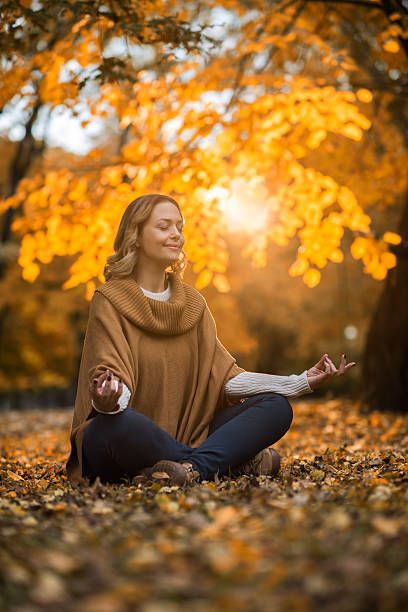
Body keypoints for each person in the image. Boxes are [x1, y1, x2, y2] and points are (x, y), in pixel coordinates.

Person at [65, 194, 356, 487]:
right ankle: (228, 462)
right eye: (164, 226)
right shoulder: (110, 299)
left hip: (191, 431)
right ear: (136, 235)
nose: (176, 234)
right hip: (127, 438)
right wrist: (110, 398)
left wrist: (299, 382)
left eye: (179, 226)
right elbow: (109, 374)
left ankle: (190, 469)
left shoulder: (193, 304)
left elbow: (224, 377)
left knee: (275, 407)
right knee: (111, 427)